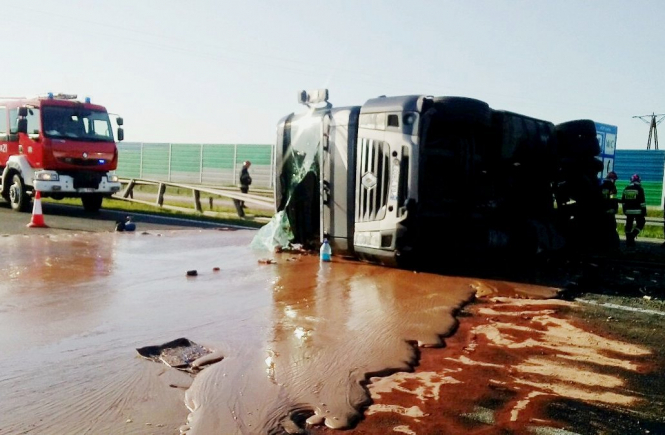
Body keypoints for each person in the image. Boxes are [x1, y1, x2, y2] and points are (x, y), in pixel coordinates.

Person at [621, 173, 646, 247]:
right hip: (638, 211)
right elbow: (642, 202)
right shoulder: (640, 189)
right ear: (639, 180)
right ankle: (632, 235)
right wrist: (644, 211)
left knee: (629, 224)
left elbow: (623, 201)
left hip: (628, 211)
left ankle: (628, 240)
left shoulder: (626, 188)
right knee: (641, 223)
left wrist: (624, 210)